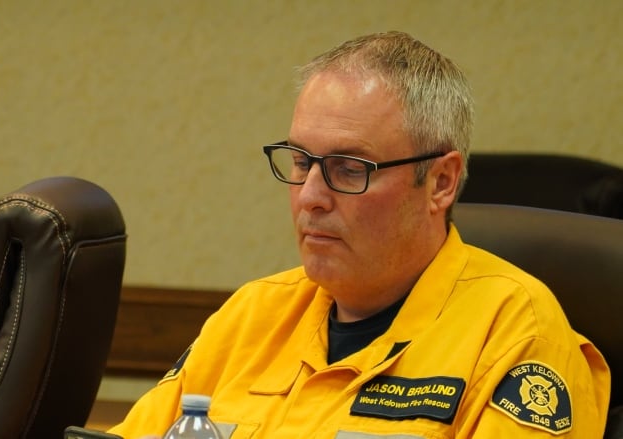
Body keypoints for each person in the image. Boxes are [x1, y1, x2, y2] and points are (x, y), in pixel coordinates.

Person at [108, 31, 611, 438]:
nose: (309, 195)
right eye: (302, 161)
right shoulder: (250, 317)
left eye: (349, 168)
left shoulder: (515, 332)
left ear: (440, 182)